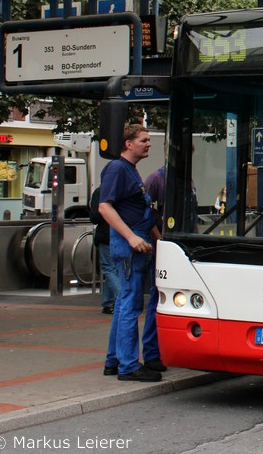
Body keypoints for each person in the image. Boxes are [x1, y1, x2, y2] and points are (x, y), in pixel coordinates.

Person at [99, 124, 166, 382]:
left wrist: (159, 243)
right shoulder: (118, 169)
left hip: (136, 242)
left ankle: (114, 361)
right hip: (129, 246)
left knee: (125, 303)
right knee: (130, 304)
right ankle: (128, 366)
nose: (148, 144)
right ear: (128, 143)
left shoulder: (130, 170)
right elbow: (105, 207)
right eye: (144, 140)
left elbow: (143, 212)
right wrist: (131, 237)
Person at [89, 186, 120, 315]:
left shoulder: (100, 192)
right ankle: (108, 302)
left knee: (109, 268)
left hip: (105, 235)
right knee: (115, 269)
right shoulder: (122, 190)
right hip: (122, 234)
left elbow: (95, 217)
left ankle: (122, 297)